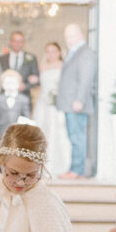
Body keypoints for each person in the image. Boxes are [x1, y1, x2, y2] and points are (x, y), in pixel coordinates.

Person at [56, 23, 96, 179]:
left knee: (77, 137)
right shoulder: (74, 52)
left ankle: (77, 170)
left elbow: (85, 79)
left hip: (76, 103)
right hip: (70, 103)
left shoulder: (85, 53)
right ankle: (74, 168)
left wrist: (79, 99)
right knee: (74, 136)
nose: (69, 40)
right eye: (67, 37)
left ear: (81, 35)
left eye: (72, 36)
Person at [32, 41, 70, 175]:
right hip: (43, 104)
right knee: (42, 133)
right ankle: (40, 165)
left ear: (59, 52)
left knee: (57, 132)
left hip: (56, 105)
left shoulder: (63, 66)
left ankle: (58, 165)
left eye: (54, 51)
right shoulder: (42, 67)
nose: (51, 54)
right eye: (48, 51)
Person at [0, 30, 40, 111]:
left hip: (24, 98)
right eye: (15, 41)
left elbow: (36, 80)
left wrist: (25, 86)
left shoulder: (31, 59)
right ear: (10, 42)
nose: (17, 43)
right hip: (5, 100)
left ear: (23, 43)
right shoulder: (1, 59)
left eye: (20, 41)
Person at [0, 69, 31, 141]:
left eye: (13, 83)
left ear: (18, 84)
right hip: (2, 132)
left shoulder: (23, 99)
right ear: (2, 84)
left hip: (18, 132)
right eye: (7, 83)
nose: (10, 86)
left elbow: (26, 116)